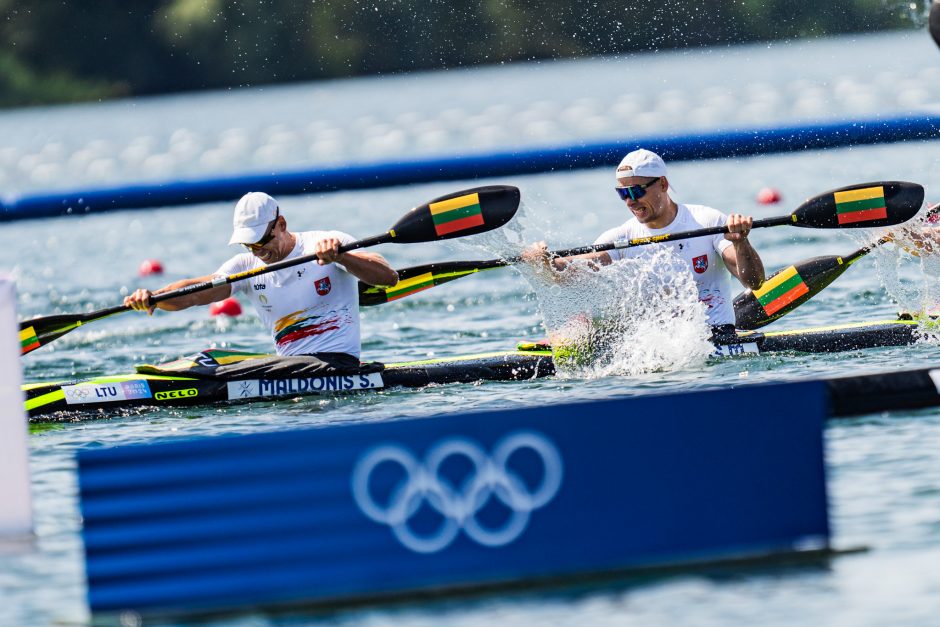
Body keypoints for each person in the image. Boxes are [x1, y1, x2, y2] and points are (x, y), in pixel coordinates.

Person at [124, 192, 398, 369]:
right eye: (249, 245)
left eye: (262, 241)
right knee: (211, 359)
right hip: (289, 367)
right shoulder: (246, 266)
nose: (258, 252)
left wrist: (342, 258)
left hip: (338, 363)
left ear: (281, 224)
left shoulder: (325, 242)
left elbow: (388, 277)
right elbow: (196, 293)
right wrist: (154, 298)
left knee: (233, 368)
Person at [524, 148, 765, 335]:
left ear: (662, 184)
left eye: (636, 191)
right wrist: (543, 262)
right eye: (622, 193)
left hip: (716, 335)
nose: (630, 201)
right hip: (657, 345)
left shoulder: (707, 221)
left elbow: (754, 281)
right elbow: (570, 271)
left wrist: (741, 243)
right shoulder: (621, 237)